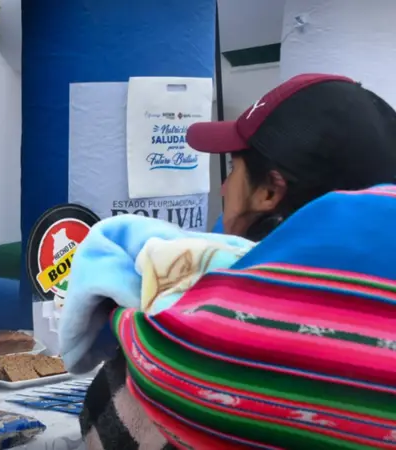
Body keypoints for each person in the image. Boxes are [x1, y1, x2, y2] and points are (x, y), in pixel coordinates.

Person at [61, 73, 396, 449]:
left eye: (234, 169)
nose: (224, 186)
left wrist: (125, 315)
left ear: (269, 191)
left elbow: (105, 426)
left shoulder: (192, 351)